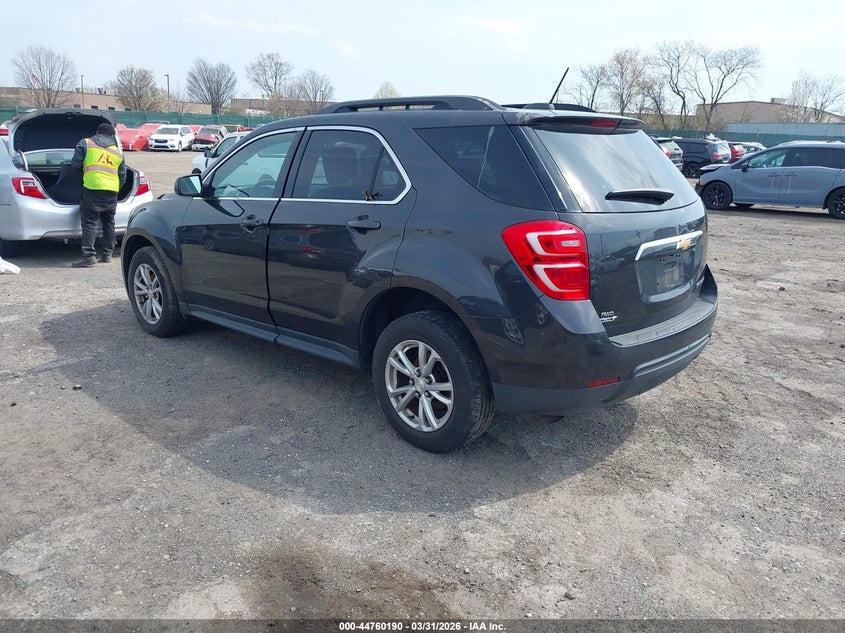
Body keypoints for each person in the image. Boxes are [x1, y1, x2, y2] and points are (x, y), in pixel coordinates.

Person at [70, 122, 126, 267]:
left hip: (92, 187)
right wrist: (116, 188)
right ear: (112, 136)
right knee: (109, 222)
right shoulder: (117, 151)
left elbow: (75, 164)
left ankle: (89, 256)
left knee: (89, 222)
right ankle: (107, 254)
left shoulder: (86, 143)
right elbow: (123, 175)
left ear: (97, 132)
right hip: (111, 190)